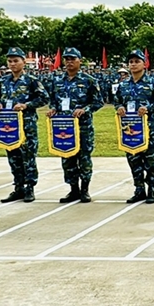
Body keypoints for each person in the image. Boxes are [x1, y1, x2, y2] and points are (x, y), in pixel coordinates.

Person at [47, 47, 105, 203]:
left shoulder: (89, 80)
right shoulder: (58, 81)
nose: (69, 62)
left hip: (83, 127)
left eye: (73, 59)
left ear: (80, 60)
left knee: (84, 158)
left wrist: (84, 109)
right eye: (67, 59)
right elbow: (53, 100)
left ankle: (85, 190)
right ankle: (73, 189)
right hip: (63, 127)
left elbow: (98, 102)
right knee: (67, 158)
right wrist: (53, 109)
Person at [0, 47, 49, 203]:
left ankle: (30, 188)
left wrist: (26, 105)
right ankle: (18, 187)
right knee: (13, 156)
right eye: (9, 61)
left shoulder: (31, 80)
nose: (12, 64)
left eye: (16, 61)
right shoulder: (2, 81)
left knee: (28, 156)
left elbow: (44, 98)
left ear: (24, 62)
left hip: (26, 124)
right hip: (8, 125)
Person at [114, 50, 154, 204]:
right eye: (131, 62)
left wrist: (149, 108)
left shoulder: (153, 83)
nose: (133, 64)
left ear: (144, 64)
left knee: (150, 160)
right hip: (129, 128)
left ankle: (151, 189)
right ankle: (139, 189)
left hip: (147, 128)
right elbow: (117, 101)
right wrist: (119, 108)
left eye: (136, 61)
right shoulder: (123, 85)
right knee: (133, 159)